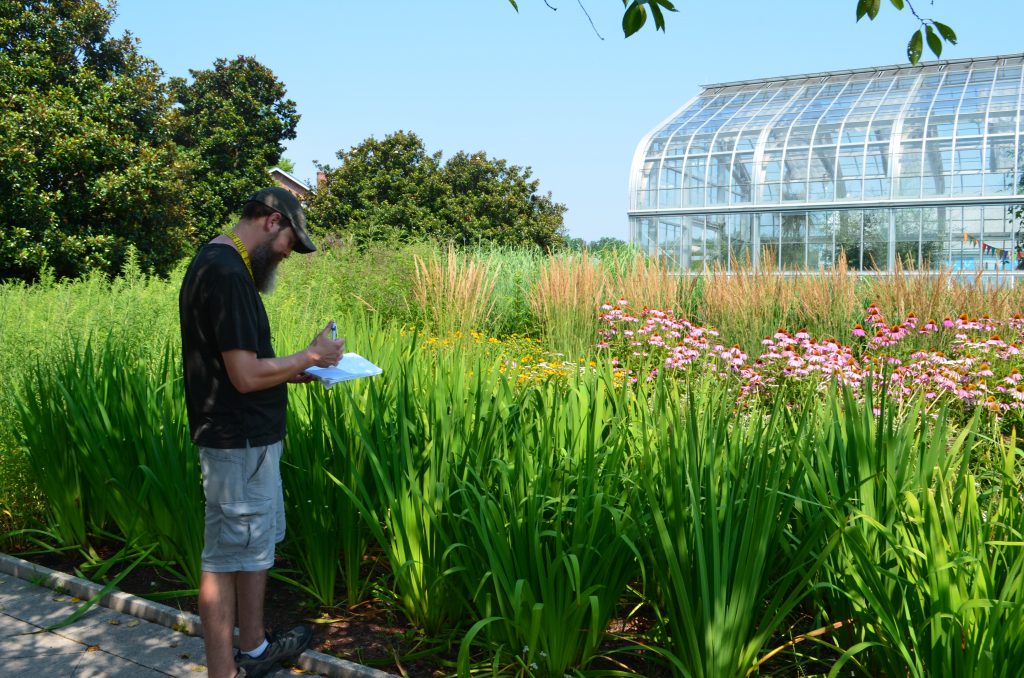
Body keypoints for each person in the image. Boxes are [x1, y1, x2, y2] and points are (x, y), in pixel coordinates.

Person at [179, 187, 345, 678]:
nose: (289, 255)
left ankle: (251, 649)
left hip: (250, 441)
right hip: (237, 444)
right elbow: (244, 377)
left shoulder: (225, 266)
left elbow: (247, 365)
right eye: (292, 242)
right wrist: (312, 356)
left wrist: (296, 371)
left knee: (251, 549)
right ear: (273, 221)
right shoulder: (227, 273)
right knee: (224, 558)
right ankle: (223, 671)